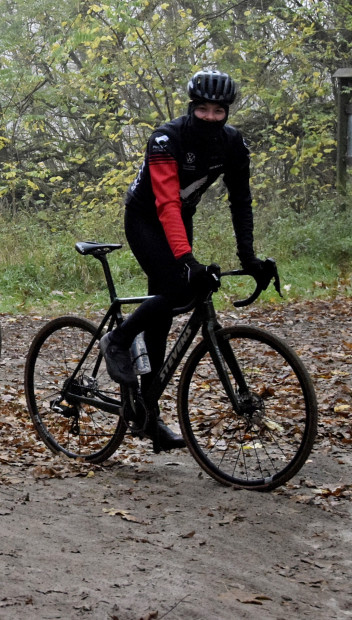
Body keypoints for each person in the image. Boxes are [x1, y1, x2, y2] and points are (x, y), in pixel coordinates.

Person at [99, 69, 268, 453]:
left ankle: (147, 412)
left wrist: (249, 257)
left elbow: (240, 201)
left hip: (179, 218)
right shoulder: (165, 138)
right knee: (177, 286)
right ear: (192, 108)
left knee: (163, 312)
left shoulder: (233, 144)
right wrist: (187, 259)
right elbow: (166, 203)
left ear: (226, 112)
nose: (210, 116)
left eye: (218, 111)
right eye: (203, 109)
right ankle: (118, 339)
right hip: (145, 217)